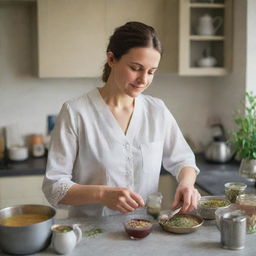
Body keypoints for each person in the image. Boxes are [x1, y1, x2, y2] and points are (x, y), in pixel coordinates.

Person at [42, 21, 200, 217]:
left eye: (151, 72)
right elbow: (54, 187)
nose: (144, 80)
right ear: (111, 59)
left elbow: (183, 159)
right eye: (135, 68)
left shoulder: (156, 110)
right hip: (92, 235)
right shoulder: (76, 112)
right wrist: (102, 194)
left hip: (145, 231)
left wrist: (186, 184)